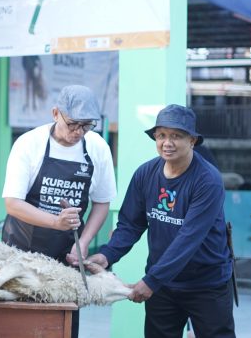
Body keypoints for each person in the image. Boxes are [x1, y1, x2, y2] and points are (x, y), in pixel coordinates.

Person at [88, 104, 235, 338]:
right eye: (162, 135)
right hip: (164, 286)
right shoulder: (145, 174)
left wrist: (150, 281)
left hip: (206, 284)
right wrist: (107, 255)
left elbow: (188, 239)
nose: (168, 142)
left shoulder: (208, 180)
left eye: (177, 136)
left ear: (193, 141)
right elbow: (130, 224)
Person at [1, 84, 117, 338]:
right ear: (56, 113)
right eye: (72, 124)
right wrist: (55, 221)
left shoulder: (97, 148)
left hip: (66, 256)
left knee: (61, 327)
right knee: (19, 326)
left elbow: (102, 202)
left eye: (86, 126)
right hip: (22, 251)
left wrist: (84, 242)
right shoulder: (29, 144)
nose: (78, 132)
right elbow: (12, 203)